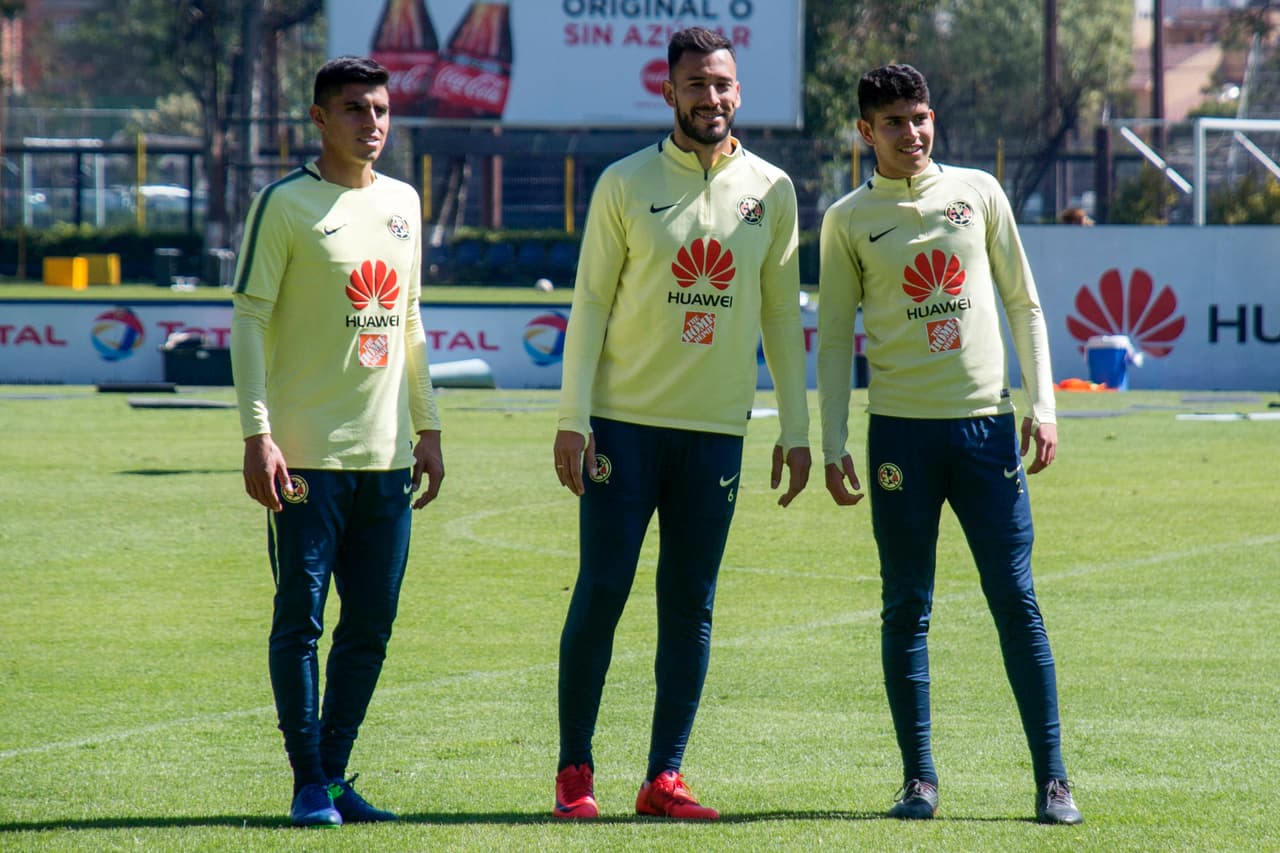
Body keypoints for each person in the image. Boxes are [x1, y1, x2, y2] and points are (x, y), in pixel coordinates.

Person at [550, 26, 811, 821]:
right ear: (669, 92)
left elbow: (779, 318)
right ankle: (575, 775)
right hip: (622, 429)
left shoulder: (773, 189)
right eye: (697, 84)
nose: (713, 98)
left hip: (715, 434)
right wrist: (573, 418)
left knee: (690, 601)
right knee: (601, 591)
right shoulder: (624, 184)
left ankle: (664, 776)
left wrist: (796, 431)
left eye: (724, 84)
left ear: (739, 91)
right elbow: (589, 302)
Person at [816, 63, 1082, 825]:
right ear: (865, 131)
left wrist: (1043, 404)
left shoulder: (979, 192)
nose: (914, 133)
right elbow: (834, 340)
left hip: (985, 428)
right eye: (895, 121)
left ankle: (1054, 779)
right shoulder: (846, 220)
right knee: (906, 606)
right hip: (899, 433)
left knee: (1017, 600)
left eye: (922, 116)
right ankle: (919, 780)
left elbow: (1024, 303)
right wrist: (833, 440)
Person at [230, 55, 445, 828]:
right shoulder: (284, 205)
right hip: (306, 459)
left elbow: (411, 318)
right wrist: (259, 434)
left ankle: (333, 770)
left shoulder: (404, 202)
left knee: (372, 624)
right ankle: (308, 780)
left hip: (387, 460)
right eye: (354, 109)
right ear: (318, 118)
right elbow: (249, 318)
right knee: (302, 620)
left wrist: (428, 425)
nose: (372, 122)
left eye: (381, 109)